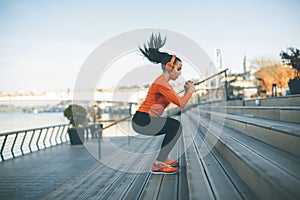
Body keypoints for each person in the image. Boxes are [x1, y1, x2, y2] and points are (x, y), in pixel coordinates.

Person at [131, 33, 195, 174]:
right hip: (143, 120)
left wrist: (186, 91)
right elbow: (182, 104)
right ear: (169, 67)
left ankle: (163, 159)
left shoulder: (163, 83)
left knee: (173, 126)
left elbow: (177, 100)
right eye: (178, 69)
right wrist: (190, 91)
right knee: (176, 126)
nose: (179, 73)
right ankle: (159, 164)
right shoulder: (162, 84)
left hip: (143, 119)